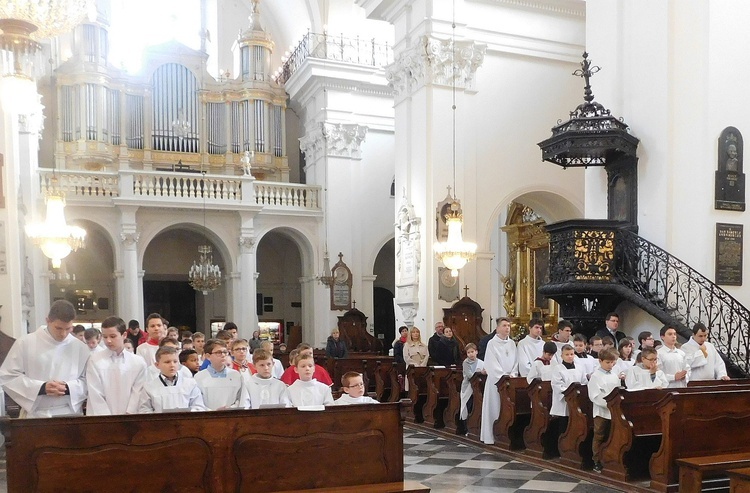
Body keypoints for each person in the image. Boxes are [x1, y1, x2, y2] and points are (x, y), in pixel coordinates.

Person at [0, 300, 90, 418]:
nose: (63, 334)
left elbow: (88, 380)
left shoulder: (80, 347)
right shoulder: (25, 343)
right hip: (37, 414)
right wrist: (41, 388)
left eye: (68, 329)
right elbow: (8, 376)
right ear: (48, 321)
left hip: (70, 414)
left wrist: (68, 388)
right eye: (58, 328)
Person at [86, 316, 149, 415]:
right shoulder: (95, 360)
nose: (108, 341)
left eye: (113, 336)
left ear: (124, 335)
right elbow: (95, 393)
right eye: (105, 337)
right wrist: (107, 418)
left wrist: (129, 414)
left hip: (129, 418)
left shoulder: (138, 362)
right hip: (101, 419)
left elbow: (138, 392)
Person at [480, 317, 518, 445]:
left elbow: (516, 361)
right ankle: (492, 435)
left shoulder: (512, 343)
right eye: (504, 325)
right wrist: (502, 377)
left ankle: (504, 434)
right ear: (497, 328)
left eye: (508, 325)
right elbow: (491, 363)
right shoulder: (492, 343)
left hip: (509, 381)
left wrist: (512, 374)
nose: (507, 328)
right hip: (496, 382)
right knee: (495, 407)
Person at [138, 346, 206, 413]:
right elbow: (144, 411)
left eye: (175, 361)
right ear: (157, 365)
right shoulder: (149, 387)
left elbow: (198, 407)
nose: (172, 365)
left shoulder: (190, 384)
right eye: (167, 362)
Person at [549, 344, 588, 452]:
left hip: (577, 401)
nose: (570, 356)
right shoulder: (558, 369)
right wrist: (569, 392)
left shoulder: (580, 368)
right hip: (564, 402)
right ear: (561, 356)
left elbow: (584, 382)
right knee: (564, 425)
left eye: (571, 354)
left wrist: (580, 392)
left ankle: (574, 448)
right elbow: (557, 385)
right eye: (567, 354)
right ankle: (562, 449)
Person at [588, 348, 621, 473]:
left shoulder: (613, 375)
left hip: (614, 411)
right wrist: (609, 404)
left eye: (613, 362)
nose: (611, 365)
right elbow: (594, 396)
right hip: (601, 411)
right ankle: (596, 460)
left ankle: (609, 459)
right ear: (600, 361)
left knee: (611, 436)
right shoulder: (595, 376)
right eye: (608, 362)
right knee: (599, 435)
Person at [194, 340, 250, 410]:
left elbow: (242, 399)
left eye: (225, 352)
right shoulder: (199, 377)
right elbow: (197, 402)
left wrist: (230, 409)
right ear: (208, 356)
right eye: (218, 352)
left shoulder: (236, 375)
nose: (223, 355)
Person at [459, 343, 485, 421]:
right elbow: (470, 375)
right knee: (468, 406)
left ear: (476, 352)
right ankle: (466, 426)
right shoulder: (465, 363)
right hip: (467, 387)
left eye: (472, 352)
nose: (471, 354)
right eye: (468, 352)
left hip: (478, 388)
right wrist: (480, 372)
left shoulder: (481, 362)